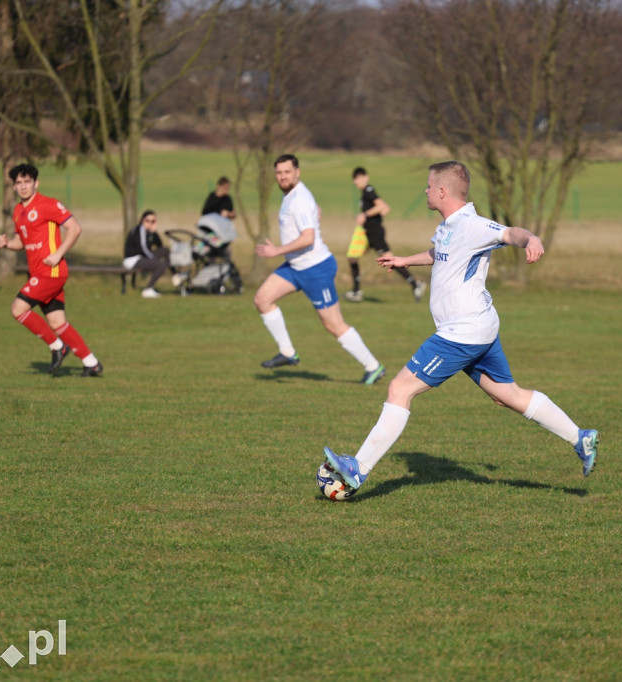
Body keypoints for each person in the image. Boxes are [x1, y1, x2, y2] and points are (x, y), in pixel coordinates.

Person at [324, 161, 598, 492]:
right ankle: (579, 437)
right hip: (480, 328)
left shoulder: (472, 224)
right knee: (506, 395)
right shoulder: (448, 227)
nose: (424, 190)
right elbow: (441, 253)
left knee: (400, 388)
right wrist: (404, 261)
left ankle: (359, 467)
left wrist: (532, 239)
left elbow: (511, 233)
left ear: (442, 191)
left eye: (428, 185)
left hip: (461, 333)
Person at [254, 154, 385, 385]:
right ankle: (287, 353)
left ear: (297, 172)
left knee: (333, 325)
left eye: (287, 171)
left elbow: (308, 238)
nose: (283, 176)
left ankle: (373, 366)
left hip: (315, 269)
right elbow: (318, 212)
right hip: (296, 266)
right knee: (262, 299)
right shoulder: (293, 195)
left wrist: (277, 251)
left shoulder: (299, 199)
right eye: (279, 172)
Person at [0, 163, 103, 377]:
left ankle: (57, 347)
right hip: (39, 274)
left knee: (17, 309)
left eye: (28, 182)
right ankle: (91, 363)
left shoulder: (48, 204)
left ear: (36, 183)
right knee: (57, 322)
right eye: (19, 183)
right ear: (14, 187)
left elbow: (75, 228)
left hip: (52, 272)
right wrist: (8, 243)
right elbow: (22, 241)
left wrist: (58, 254)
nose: (24, 186)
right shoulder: (18, 211)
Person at [344, 166, 426, 303]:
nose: (355, 182)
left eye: (357, 179)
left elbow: (382, 206)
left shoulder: (369, 191)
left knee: (389, 259)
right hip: (367, 233)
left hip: (375, 232)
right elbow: (385, 208)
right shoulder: (365, 193)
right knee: (352, 257)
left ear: (365, 177)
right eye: (354, 179)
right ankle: (356, 291)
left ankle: (415, 284)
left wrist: (365, 214)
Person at [123, 210, 170, 298]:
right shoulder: (139, 230)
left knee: (166, 250)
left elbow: (159, 245)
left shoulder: (149, 232)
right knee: (161, 265)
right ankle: (147, 290)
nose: (149, 223)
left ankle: (174, 275)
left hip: (142, 257)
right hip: (133, 260)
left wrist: (154, 232)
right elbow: (142, 249)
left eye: (153, 221)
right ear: (142, 220)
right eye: (147, 220)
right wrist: (154, 260)